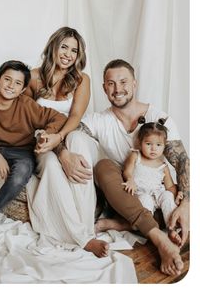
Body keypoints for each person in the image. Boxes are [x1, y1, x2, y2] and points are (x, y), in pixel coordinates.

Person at [71, 58, 189, 276]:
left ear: (134, 84)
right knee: (103, 166)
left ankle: (124, 224)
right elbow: (70, 132)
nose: (118, 89)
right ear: (104, 88)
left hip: (154, 191)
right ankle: (159, 239)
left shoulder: (159, 119)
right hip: (125, 191)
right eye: (111, 83)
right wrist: (64, 153)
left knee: (169, 207)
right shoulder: (99, 119)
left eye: (123, 82)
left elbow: (182, 161)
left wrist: (186, 204)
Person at [25, 27, 109, 257]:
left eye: (74, 50)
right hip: (41, 138)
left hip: (69, 135)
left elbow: (75, 117)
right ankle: (80, 236)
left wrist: (60, 141)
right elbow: (26, 119)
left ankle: (85, 227)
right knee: (51, 165)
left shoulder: (82, 80)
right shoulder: (32, 77)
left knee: (79, 144)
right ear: (53, 46)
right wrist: (57, 151)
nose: (68, 54)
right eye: (64, 47)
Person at [0, 60, 66, 227]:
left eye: (18, 83)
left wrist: (47, 133)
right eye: (7, 79)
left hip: (21, 153)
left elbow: (59, 118)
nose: (11, 85)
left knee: (22, 171)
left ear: (23, 89)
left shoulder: (27, 105)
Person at [121, 118, 183, 246]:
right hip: (142, 192)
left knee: (167, 196)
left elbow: (170, 186)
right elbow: (127, 171)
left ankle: (171, 228)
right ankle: (147, 228)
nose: (153, 149)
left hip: (158, 193)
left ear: (164, 146)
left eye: (158, 145)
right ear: (140, 142)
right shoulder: (135, 156)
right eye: (148, 144)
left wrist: (176, 195)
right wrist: (130, 180)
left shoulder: (162, 165)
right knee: (145, 200)